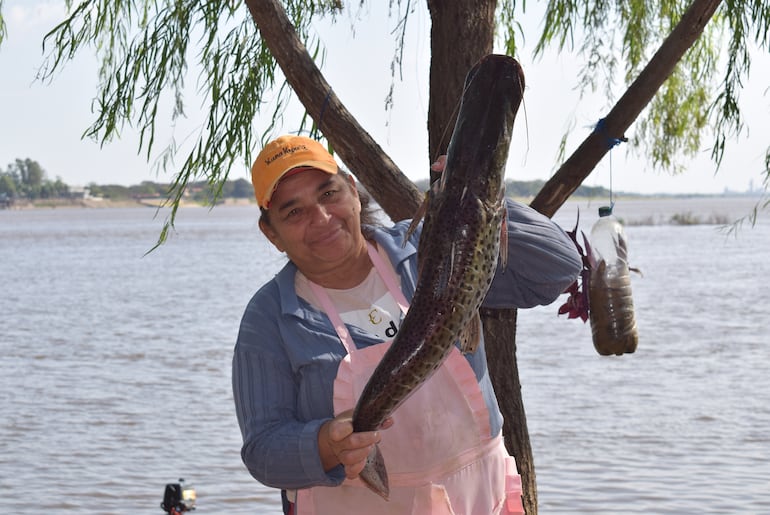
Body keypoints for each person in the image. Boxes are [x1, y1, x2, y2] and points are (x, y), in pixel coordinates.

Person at [232, 134, 582, 514]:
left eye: (328, 194)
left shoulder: (429, 248)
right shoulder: (270, 318)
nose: (321, 218)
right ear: (272, 233)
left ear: (352, 190)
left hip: (480, 500)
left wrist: (480, 191)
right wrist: (325, 444)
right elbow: (263, 450)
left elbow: (558, 269)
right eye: (293, 212)